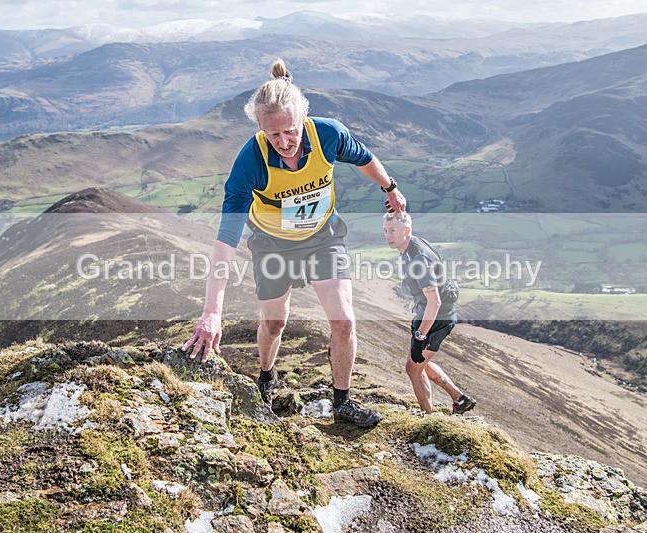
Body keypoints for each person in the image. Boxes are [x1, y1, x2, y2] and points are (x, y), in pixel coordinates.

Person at [182, 58, 406, 428]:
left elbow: (365, 158)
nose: (284, 142)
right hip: (273, 246)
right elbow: (226, 240)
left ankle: (342, 403)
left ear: (303, 117)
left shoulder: (328, 134)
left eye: (290, 131)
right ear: (260, 127)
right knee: (275, 324)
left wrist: (390, 188)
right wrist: (211, 312)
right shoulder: (250, 162)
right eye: (273, 135)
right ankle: (266, 377)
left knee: (344, 322)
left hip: (322, 237)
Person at [382, 212, 476, 415]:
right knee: (419, 363)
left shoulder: (418, 260)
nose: (388, 236)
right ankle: (459, 398)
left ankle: (429, 417)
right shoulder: (413, 243)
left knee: (413, 368)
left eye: (392, 231)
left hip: (436, 317)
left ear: (406, 230)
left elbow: (434, 302)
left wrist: (420, 337)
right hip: (432, 314)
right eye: (385, 231)